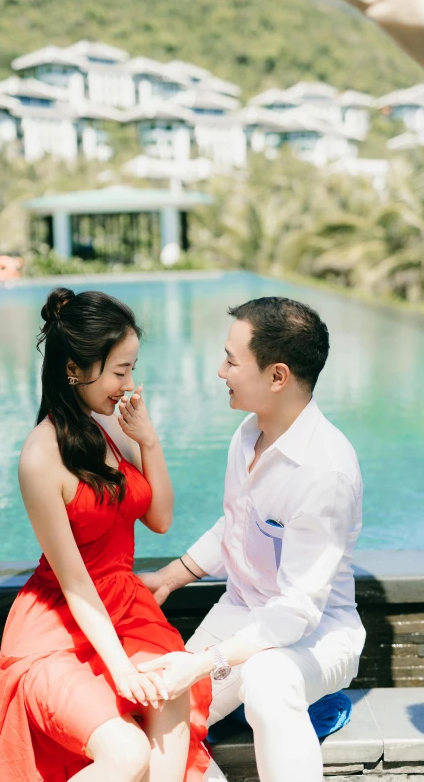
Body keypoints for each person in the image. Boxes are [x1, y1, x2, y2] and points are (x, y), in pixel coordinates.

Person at [0, 288, 211, 782]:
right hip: (60, 622)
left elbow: (161, 519)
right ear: (75, 369)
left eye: (131, 368)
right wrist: (122, 668)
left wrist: (148, 439)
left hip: (126, 608)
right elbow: (75, 582)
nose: (129, 384)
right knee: (128, 755)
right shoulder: (40, 457)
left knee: (169, 690)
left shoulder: (113, 426)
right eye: (120, 371)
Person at [139, 297, 366, 782]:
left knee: (267, 678)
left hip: (318, 633)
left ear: (277, 376)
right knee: (161, 710)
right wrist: (168, 578)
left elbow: (296, 612)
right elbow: (237, 524)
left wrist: (206, 662)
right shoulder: (247, 434)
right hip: (241, 613)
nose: (221, 371)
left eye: (231, 360)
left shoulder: (324, 472)